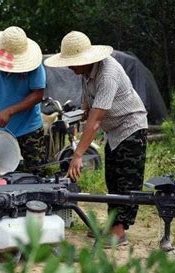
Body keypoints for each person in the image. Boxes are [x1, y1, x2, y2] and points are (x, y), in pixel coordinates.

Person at [44, 31, 148, 247]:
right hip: (114, 131)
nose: (70, 67)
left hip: (131, 127)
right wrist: (81, 111)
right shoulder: (86, 73)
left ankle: (119, 232)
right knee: (113, 178)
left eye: (73, 62)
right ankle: (112, 224)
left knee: (126, 180)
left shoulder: (107, 74)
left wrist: (78, 154)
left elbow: (95, 121)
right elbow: (89, 105)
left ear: (85, 59)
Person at [0, 26, 46, 171]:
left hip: (30, 128)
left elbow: (38, 94)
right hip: (1, 131)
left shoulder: (34, 65)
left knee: (36, 175)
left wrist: (10, 111)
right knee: (1, 173)